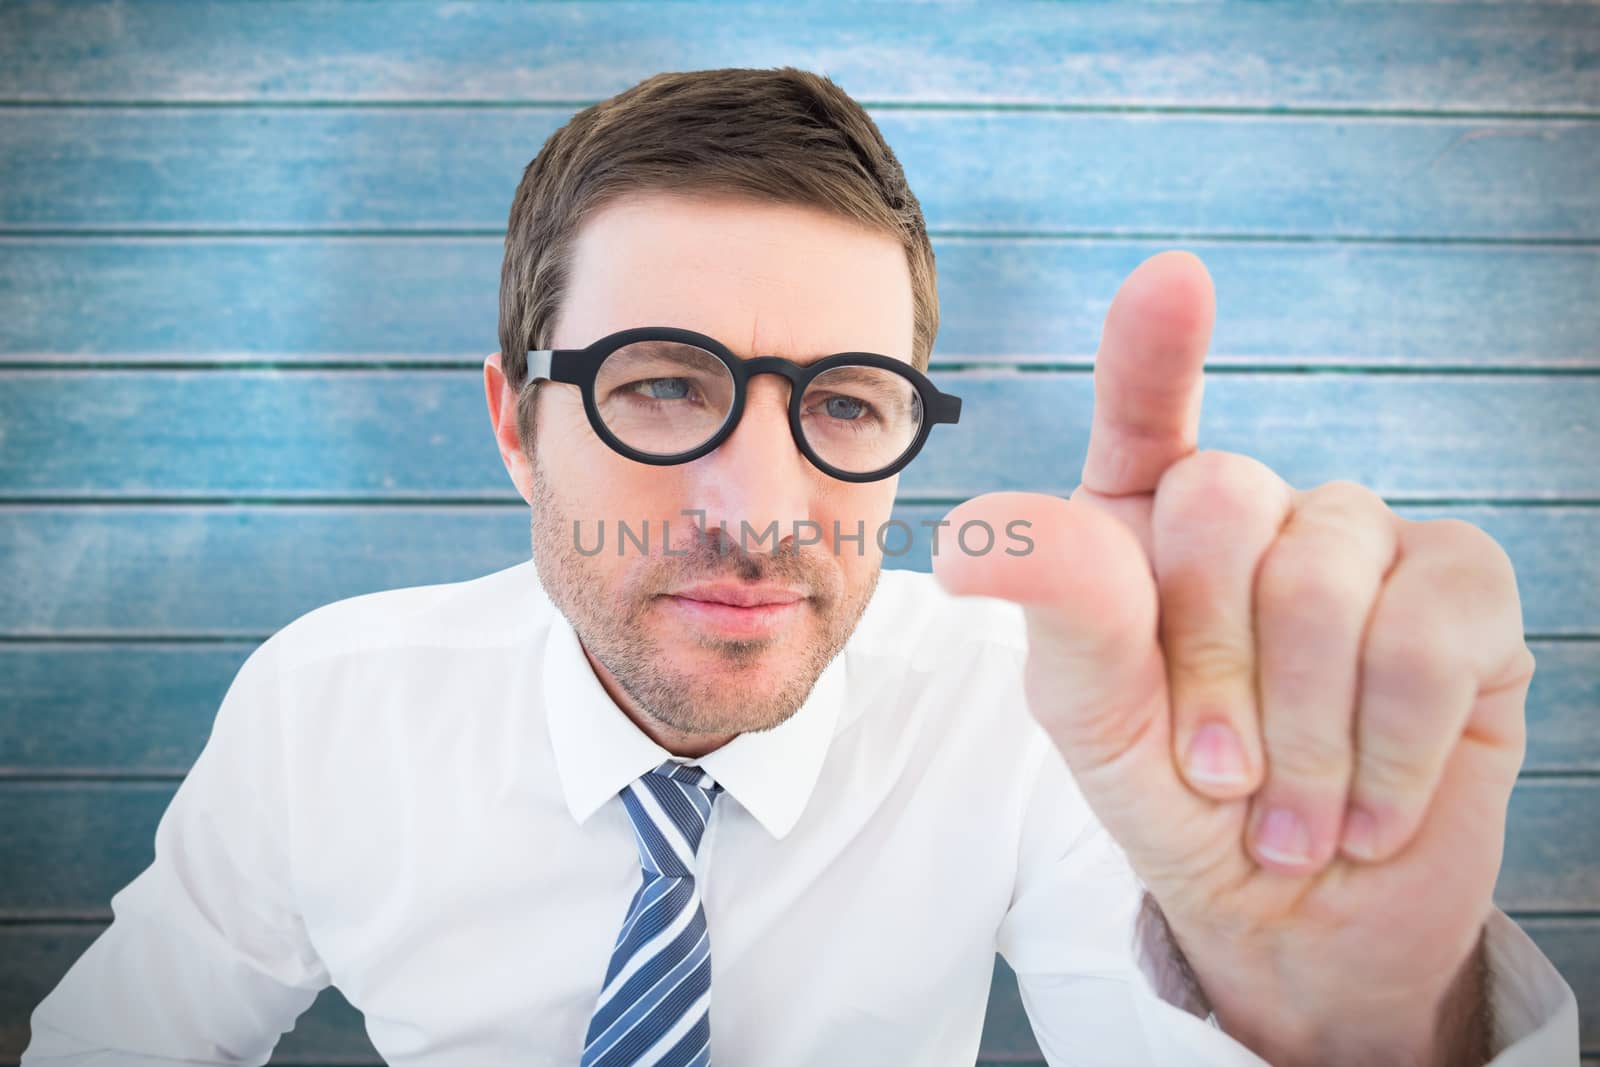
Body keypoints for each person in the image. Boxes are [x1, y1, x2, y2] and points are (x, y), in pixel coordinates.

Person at [23, 66, 1578, 1066]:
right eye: (660, 383)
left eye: (843, 402)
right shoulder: (325, 711)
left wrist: (1360, 1026)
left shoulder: (1030, 712)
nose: (759, 507)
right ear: (515, 423)